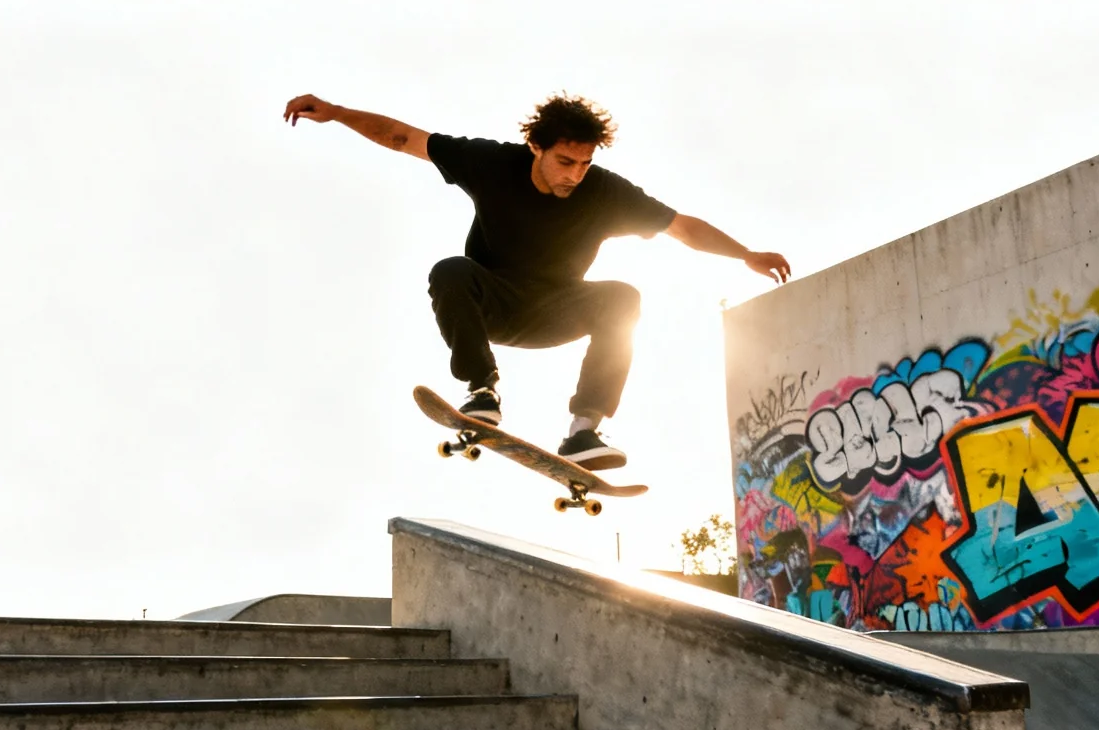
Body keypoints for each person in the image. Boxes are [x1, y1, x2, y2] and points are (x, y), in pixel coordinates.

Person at [283, 92, 791, 469]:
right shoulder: (490, 163)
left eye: (585, 163)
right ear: (535, 147)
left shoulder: (605, 193)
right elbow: (404, 138)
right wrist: (338, 113)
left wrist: (745, 254)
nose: (575, 174)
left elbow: (681, 227)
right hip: (492, 307)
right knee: (450, 271)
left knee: (623, 297)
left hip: (556, 312)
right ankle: (483, 391)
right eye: (565, 161)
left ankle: (584, 430)